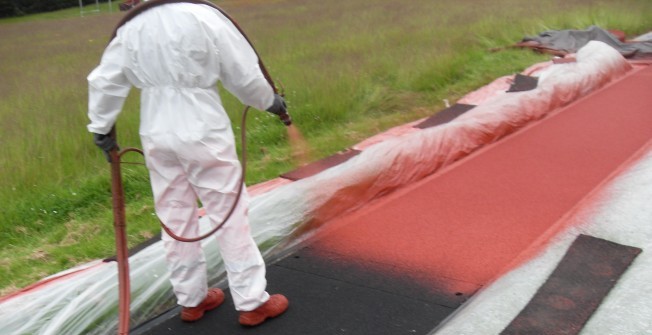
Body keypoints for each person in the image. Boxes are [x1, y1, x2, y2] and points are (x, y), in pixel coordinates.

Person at [86, 1, 289, 326]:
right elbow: (243, 72)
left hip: (155, 127)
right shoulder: (204, 16)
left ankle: (192, 300)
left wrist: (101, 127)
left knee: (174, 212)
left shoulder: (130, 26)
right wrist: (270, 102)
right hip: (201, 124)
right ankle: (252, 302)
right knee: (228, 210)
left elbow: (105, 81)